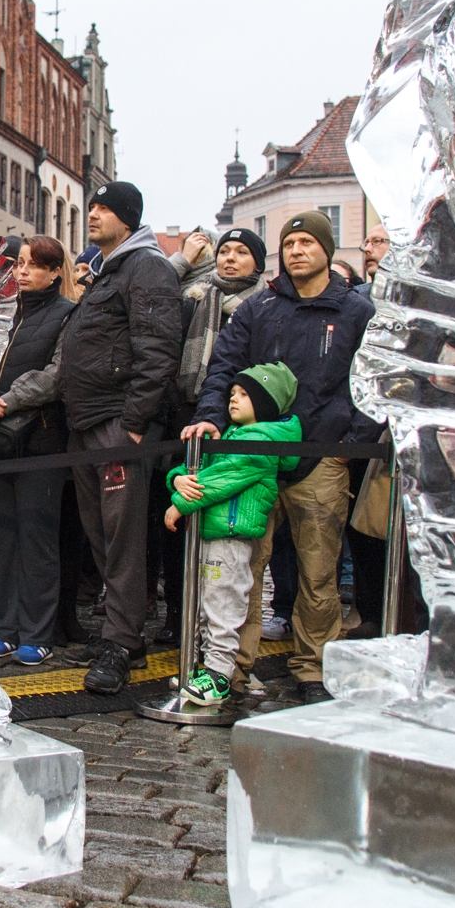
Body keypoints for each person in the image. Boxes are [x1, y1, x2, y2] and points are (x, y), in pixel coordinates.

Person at [183, 210, 379, 704]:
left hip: (321, 456)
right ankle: (234, 668)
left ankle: (313, 668)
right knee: (246, 568)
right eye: (290, 243)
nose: (296, 250)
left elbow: (372, 380)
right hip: (254, 456)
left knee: (318, 572)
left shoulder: (354, 311)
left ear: (328, 251)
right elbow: (223, 364)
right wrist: (212, 415)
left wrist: (350, 438)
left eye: (308, 242)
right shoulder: (260, 307)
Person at [59, 181, 182, 694]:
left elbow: (157, 349)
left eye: (104, 208)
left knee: (123, 535)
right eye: (92, 205)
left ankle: (121, 642)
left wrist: (133, 423)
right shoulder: (110, 269)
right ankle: (122, 630)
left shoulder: (146, 266)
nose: (93, 213)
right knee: (102, 535)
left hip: (117, 423)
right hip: (88, 421)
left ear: (127, 220)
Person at [165, 362, 302, 704]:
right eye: (232, 394)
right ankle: (203, 666)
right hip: (212, 531)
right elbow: (201, 468)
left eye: (245, 395)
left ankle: (219, 674)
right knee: (203, 603)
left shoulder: (259, 442)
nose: (233, 400)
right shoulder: (231, 435)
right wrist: (176, 478)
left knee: (223, 603)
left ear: (267, 402)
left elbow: (224, 476)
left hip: (231, 535)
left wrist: (180, 502)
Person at [156, 226, 267, 645]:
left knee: (225, 529)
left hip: (239, 425)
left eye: (241, 252)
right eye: (225, 251)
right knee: (178, 515)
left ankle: (221, 624)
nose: (230, 259)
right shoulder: (195, 296)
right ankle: (178, 614)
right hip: (186, 417)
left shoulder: (261, 306)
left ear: (257, 261)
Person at [0, 235, 78, 666]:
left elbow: (58, 373)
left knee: (36, 538)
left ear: (55, 272)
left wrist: (7, 400)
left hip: (41, 439)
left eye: (34, 265)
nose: (22, 271)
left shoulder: (68, 314)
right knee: (1, 536)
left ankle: (39, 632)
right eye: (19, 264)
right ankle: (7, 628)